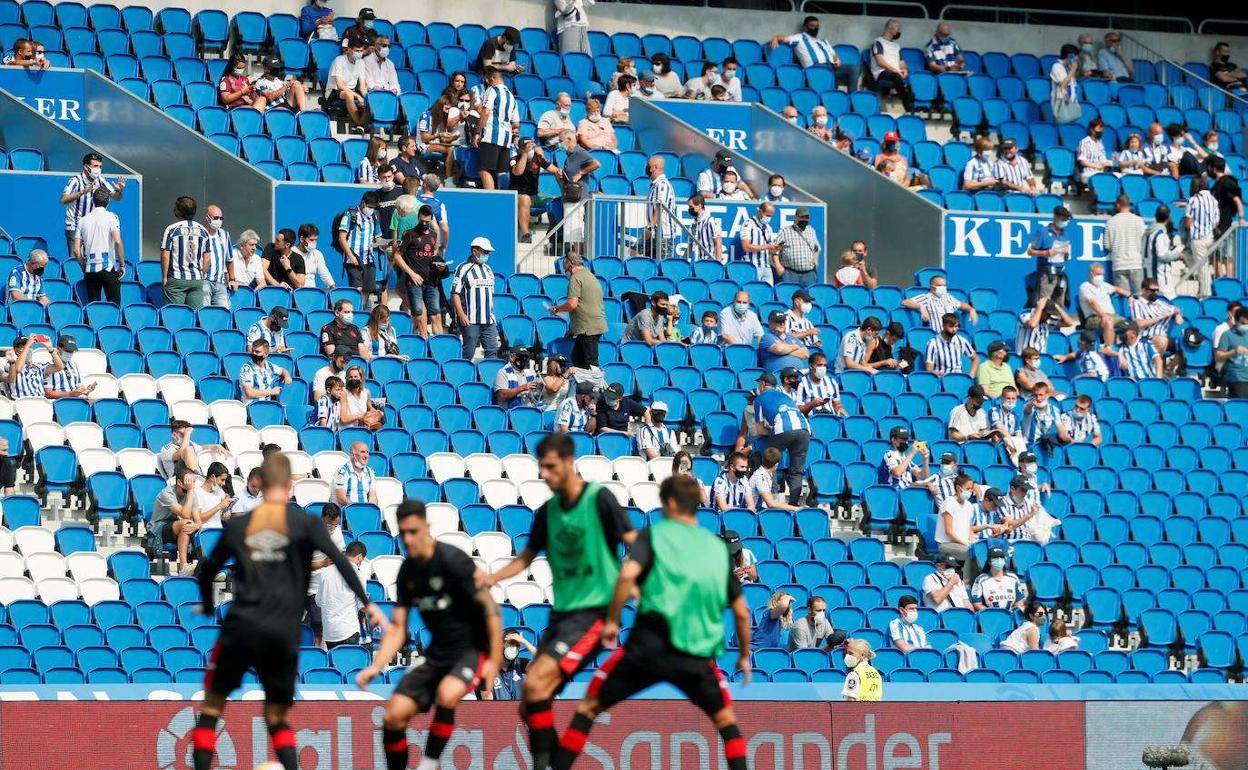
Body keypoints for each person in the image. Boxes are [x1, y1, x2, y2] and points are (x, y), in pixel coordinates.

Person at [192, 454, 384, 770]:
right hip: (281, 633)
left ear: (263, 485)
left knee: (213, 706)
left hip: (242, 627)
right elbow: (340, 560)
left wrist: (210, 605)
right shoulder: (306, 524)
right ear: (290, 485)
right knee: (277, 716)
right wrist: (369, 602)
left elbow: (208, 568)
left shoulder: (241, 524)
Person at [548, 474, 749, 770]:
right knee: (727, 723)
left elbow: (627, 576)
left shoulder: (652, 537)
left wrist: (613, 621)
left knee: (588, 708)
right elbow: (742, 611)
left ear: (668, 502)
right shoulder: (718, 550)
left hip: (647, 648)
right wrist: (744, 655)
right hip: (695, 655)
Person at [479, 433, 635, 768]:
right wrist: (490, 577)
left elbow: (633, 541)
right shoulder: (548, 512)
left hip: (595, 614)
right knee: (530, 701)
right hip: (561, 619)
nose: (544, 475)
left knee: (534, 686)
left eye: (550, 467)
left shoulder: (598, 498)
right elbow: (525, 559)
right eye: (541, 468)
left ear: (569, 463)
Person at [355, 499, 501, 770]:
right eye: (403, 533)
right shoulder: (408, 572)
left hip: (471, 651)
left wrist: (493, 661)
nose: (408, 539)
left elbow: (491, 611)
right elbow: (398, 628)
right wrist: (376, 666)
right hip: (437, 655)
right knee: (393, 715)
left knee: (447, 694)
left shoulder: (452, 561)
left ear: (426, 527)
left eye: (414, 531)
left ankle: (429, 763)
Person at [753, 371, 812, 506]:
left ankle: (772, 497)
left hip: (784, 428)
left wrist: (772, 430)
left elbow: (760, 430)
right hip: (804, 429)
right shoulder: (786, 396)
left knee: (770, 460)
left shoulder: (760, 399)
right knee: (797, 470)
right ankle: (793, 504)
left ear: (762, 384)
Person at [69, 187, 125, 304]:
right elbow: (118, 242)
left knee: (93, 309)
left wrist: (84, 267)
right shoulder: (112, 217)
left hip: (90, 268)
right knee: (114, 306)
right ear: (108, 201)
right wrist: (122, 265)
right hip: (108, 267)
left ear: (93, 201)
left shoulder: (83, 220)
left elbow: (76, 250)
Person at [395, 205, 444, 336]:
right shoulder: (410, 234)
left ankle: (438, 344)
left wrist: (439, 265)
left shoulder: (434, 235)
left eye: (427, 222)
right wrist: (411, 273)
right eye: (422, 221)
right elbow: (397, 256)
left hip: (431, 281)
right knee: (420, 312)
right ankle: (424, 339)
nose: (424, 224)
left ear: (431, 219)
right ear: (418, 217)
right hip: (414, 281)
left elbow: (433, 255)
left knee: (436, 313)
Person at [551, 254, 606, 370]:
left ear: (570, 266)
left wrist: (557, 309)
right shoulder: (591, 276)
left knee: (591, 363)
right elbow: (586, 303)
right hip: (592, 325)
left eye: (565, 268)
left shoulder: (575, 278)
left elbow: (572, 304)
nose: (565, 271)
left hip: (587, 328)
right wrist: (573, 329)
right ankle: (582, 386)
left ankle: (595, 386)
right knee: (577, 358)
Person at [771, 16, 853, 89]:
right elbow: (783, 38)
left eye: (817, 26)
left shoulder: (823, 41)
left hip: (831, 67)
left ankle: (851, 98)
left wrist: (837, 60)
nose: (815, 28)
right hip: (816, 68)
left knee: (852, 70)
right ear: (805, 27)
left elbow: (833, 54)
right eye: (812, 26)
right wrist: (775, 37)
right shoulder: (799, 38)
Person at [450, 236, 498, 359]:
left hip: (488, 320)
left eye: (488, 252)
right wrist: (461, 315)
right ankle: (464, 376)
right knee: (468, 353)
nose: (487, 254)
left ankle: (488, 377)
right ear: (474, 251)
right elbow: (455, 293)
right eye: (484, 252)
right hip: (470, 320)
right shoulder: (463, 268)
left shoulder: (488, 269)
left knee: (492, 351)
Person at [317, 540, 369, 650]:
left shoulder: (325, 572)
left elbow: (318, 601)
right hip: (348, 630)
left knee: (335, 665)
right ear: (359, 557)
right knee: (349, 666)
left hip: (329, 632)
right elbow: (363, 607)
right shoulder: (358, 574)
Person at [160, 196, 210, 309]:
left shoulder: (172, 229)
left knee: (175, 314)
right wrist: (202, 274)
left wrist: (164, 277)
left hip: (177, 279)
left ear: (179, 211)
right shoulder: (204, 231)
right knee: (195, 315)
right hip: (196, 279)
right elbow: (207, 257)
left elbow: (165, 254)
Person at [476, 67, 520, 190]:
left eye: (488, 79)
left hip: (491, 136)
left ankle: (490, 202)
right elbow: (516, 123)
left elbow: (485, 112)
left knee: (484, 170)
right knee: (501, 173)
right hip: (506, 139)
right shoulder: (512, 96)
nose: (487, 82)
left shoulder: (492, 90)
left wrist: (477, 132)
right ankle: (503, 200)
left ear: (492, 78)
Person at [336, 191, 383, 308]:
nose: (371, 209)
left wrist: (388, 245)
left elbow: (378, 238)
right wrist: (351, 256)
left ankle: (361, 310)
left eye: (373, 207)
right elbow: (341, 238)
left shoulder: (374, 217)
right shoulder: (350, 215)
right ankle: (356, 311)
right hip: (353, 259)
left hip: (369, 259)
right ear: (363, 203)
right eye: (370, 207)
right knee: (358, 289)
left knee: (367, 289)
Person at [149, 469, 199, 573]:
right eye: (190, 481)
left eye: (193, 481)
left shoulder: (192, 495)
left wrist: (196, 525)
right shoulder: (166, 493)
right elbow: (185, 515)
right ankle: (183, 566)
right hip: (158, 529)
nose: (192, 485)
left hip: (176, 526)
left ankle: (208, 568)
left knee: (193, 527)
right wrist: (190, 492)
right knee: (186, 523)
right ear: (180, 482)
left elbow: (198, 520)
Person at [1100, 194, 1147, 295]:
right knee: (1140, 297)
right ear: (1129, 205)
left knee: (1124, 298)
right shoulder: (1139, 220)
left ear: (1117, 205)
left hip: (1119, 264)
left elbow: (1107, 245)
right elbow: (1144, 242)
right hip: (1136, 263)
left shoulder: (1111, 222)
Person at [1184, 175, 1219, 297]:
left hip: (1198, 238)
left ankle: (1206, 294)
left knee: (1202, 268)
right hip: (1210, 237)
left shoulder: (1192, 200)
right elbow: (1216, 222)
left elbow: (1188, 224)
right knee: (1204, 266)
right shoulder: (1214, 200)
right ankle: (1203, 290)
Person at [1078, 262, 1129, 345]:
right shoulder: (1085, 287)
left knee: (1130, 325)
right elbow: (1091, 303)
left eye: (1102, 274)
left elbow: (1116, 289)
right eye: (1098, 274)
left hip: (1112, 316)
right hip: (1094, 318)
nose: (1101, 277)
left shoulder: (1104, 285)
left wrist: (1129, 295)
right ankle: (1109, 349)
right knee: (1108, 322)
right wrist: (1104, 315)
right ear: (1091, 274)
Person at [870, 19, 913, 111]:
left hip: (896, 73)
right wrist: (895, 70)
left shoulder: (896, 46)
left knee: (912, 78)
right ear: (890, 28)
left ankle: (916, 105)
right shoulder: (878, 42)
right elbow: (880, 61)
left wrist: (904, 70)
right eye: (898, 28)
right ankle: (908, 108)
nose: (899, 31)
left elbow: (901, 62)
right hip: (882, 72)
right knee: (897, 77)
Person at [641, 155, 678, 259]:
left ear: (654, 167)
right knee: (647, 260)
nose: (647, 168)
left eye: (648, 165)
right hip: (654, 234)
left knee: (662, 265)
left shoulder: (662, 185)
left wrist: (651, 226)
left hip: (663, 235)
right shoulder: (654, 185)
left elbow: (660, 206)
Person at [773, 207, 821, 286]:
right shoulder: (785, 231)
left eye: (806, 217)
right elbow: (774, 250)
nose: (804, 220)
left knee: (808, 297)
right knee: (789, 296)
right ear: (796, 217)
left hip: (809, 274)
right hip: (790, 273)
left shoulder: (811, 231)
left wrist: (816, 260)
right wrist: (778, 267)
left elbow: (817, 248)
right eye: (802, 217)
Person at [326, 40, 369, 127]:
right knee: (348, 95)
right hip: (334, 91)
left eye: (361, 51)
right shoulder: (339, 60)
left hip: (352, 91)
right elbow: (340, 85)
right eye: (357, 51)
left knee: (369, 100)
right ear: (349, 49)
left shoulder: (361, 62)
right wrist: (357, 96)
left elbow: (362, 86)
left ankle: (364, 125)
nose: (359, 53)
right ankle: (359, 123)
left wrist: (366, 98)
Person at [971, 545, 1028, 611]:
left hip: (1010, 616)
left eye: (1001, 558)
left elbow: (1020, 599)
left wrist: (1014, 611)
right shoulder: (980, 580)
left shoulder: (1013, 578)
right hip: (990, 616)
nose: (999, 560)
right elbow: (977, 603)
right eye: (995, 558)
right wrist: (992, 614)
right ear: (989, 561)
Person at [239, 339, 292, 404]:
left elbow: (283, 370)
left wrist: (287, 376)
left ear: (266, 354)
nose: (253, 354)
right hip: (251, 406)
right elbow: (249, 393)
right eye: (252, 351)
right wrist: (272, 391)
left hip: (267, 406)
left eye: (257, 352)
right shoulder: (247, 368)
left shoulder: (269, 365)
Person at [740, 202, 782, 284]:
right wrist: (767, 247)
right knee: (753, 292)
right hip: (752, 266)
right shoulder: (748, 224)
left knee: (767, 293)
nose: (769, 218)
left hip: (766, 266)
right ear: (760, 212)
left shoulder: (768, 228)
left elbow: (770, 249)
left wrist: (775, 248)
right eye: (767, 215)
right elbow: (746, 247)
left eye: (771, 216)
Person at [749, 447, 800, 512]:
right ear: (776, 465)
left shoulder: (765, 474)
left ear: (762, 460)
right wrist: (796, 508)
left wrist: (790, 506)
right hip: (755, 513)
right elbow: (771, 504)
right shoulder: (760, 477)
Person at [490, 630, 536, 700]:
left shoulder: (520, 663)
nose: (514, 648)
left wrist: (525, 642)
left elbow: (543, 661)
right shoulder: (491, 667)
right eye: (510, 643)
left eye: (517, 645)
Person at [191, 461, 234, 532]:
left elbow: (227, 497)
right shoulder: (196, 492)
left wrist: (227, 511)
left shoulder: (219, 491)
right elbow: (199, 518)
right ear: (213, 477)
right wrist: (219, 506)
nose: (224, 483)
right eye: (222, 480)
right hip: (204, 533)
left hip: (219, 532)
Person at [1215, 306, 1248, 398]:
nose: (1245, 326)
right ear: (1236, 321)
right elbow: (1218, 356)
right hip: (1237, 377)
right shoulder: (1227, 335)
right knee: (1242, 406)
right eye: (1243, 323)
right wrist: (1234, 351)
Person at [334, 441, 378, 506]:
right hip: (349, 510)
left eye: (367, 452)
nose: (366, 456)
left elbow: (373, 497)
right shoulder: (343, 472)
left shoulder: (370, 472)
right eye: (362, 452)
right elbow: (341, 498)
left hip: (365, 510)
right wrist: (357, 508)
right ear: (352, 455)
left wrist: (370, 509)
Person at [841, 638, 882, 702]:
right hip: (874, 711)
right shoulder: (875, 673)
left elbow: (851, 700)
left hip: (858, 710)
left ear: (862, 655)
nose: (847, 656)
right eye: (847, 653)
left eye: (851, 653)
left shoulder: (854, 674)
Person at [688, 194, 725, 263]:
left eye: (691, 207)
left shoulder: (710, 221)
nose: (689, 209)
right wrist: (684, 259)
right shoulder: (694, 223)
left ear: (699, 206)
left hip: (709, 261)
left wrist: (718, 263)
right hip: (698, 261)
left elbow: (718, 242)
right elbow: (692, 243)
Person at [1049, 43, 1080, 124]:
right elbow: (1063, 84)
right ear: (1069, 56)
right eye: (1075, 56)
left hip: (1071, 103)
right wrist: (1073, 69)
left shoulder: (1068, 68)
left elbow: (1073, 86)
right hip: (1061, 103)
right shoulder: (1056, 66)